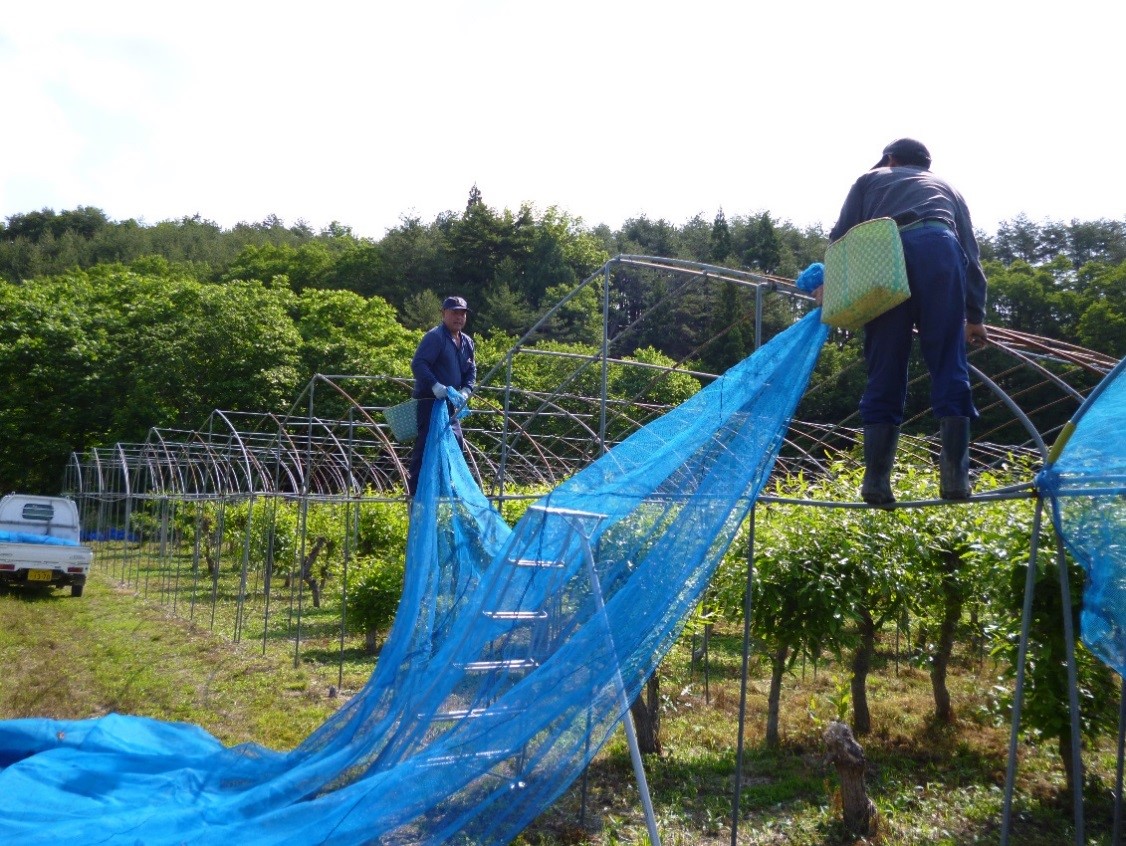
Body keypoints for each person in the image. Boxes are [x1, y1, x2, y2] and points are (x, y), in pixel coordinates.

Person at [825, 138, 989, 505]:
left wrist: (829, 286)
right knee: (948, 359)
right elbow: (972, 255)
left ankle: (876, 483)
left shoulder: (870, 179)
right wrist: (975, 317)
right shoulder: (948, 189)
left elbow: (841, 238)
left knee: (886, 364)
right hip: (939, 249)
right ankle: (955, 480)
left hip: (884, 259)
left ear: (890, 159)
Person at [407, 295, 476, 496]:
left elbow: (471, 371)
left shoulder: (467, 342)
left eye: (462, 313)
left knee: (455, 443)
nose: (459, 317)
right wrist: (434, 384)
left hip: (451, 403)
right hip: (430, 402)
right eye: (454, 312)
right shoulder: (435, 337)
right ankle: (417, 494)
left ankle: (447, 488)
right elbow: (419, 364)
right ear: (443, 313)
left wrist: (466, 390)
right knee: (427, 445)